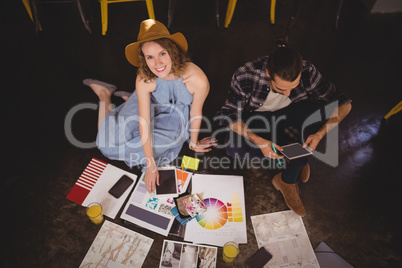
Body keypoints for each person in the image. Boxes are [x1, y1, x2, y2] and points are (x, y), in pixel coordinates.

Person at [217, 42, 352, 216]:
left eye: (292, 87)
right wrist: (258, 140)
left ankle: (286, 180)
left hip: (291, 111)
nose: (287, 93)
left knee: (322, 118)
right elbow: (229, 115)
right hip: (258, 117)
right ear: (268, 73)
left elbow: (345, 103)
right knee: (233, 147)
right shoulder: (245, 75)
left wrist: (319, 134)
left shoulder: (307, 71)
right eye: (280, 88)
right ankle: (296, 154)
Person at [83, 19, 217, 193]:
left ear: (172, 51)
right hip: (148, 103)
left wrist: (193, 142)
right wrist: (151, 165)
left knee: (164, 144)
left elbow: (196, 111)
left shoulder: (197, 79)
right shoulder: (144, 77)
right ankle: (104, 94)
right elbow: (144, 122)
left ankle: (122, 98)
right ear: (144, 59)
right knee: (106, 144)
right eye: (150, 57)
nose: (157, 64)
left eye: (162, 54)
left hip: (176, 113)